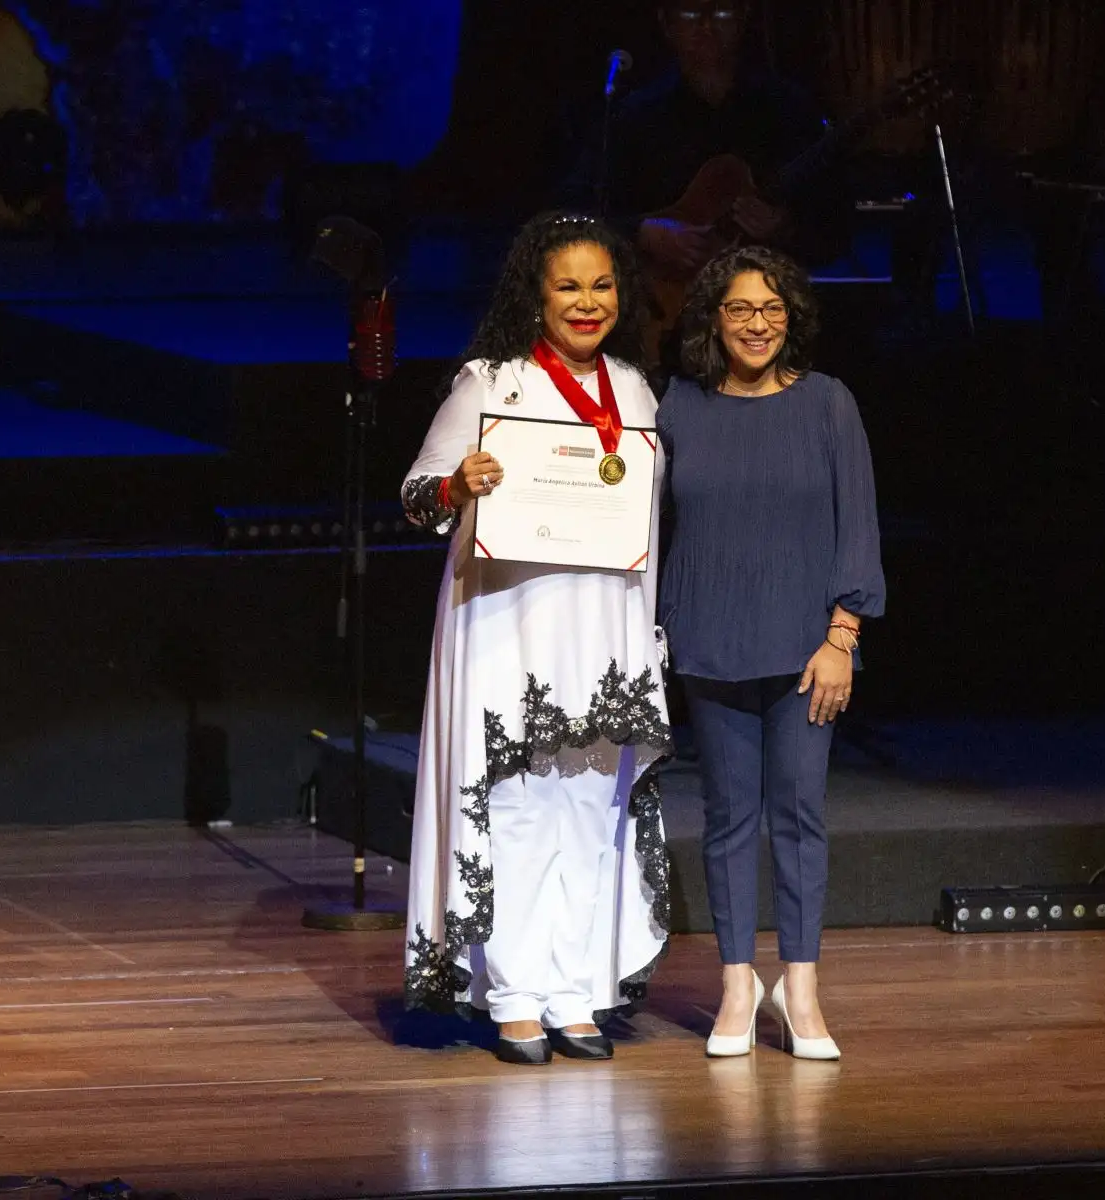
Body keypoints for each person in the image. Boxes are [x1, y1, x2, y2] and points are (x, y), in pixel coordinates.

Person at [399, 212, 673, 1066]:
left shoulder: (635, 390)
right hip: (509, 627)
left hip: (607, 629)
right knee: (516, 810)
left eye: (602, 286)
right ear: (536, 295)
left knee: (592, 809)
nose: (587, 303)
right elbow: (415, 496)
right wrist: (457, 481)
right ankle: (514, 996)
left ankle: (577, 991)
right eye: (568, 287)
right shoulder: (491, 383)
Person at [656, 246, 884, 1059]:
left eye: (773, 308)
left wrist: (842, 638)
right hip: (711, 637)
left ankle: (803, 986)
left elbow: (857, 524)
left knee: (798, 814)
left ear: (792, 317)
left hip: (804, 649)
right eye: (741, 309)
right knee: (726, 819)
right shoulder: (678, 407)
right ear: (713, 319)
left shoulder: (828, 405)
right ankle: (735, 984)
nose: (758, 323)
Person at [563, 1, 847, 368]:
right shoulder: (635, 117)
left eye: (723, 14)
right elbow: (572, 210)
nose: (707, 28)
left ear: (744, 20)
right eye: (691, 15)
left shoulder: (788, 110)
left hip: (768, 332)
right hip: (662, 331)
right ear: (667, 23)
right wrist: (644, 232)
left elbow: (835, 226)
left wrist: (784, 226)